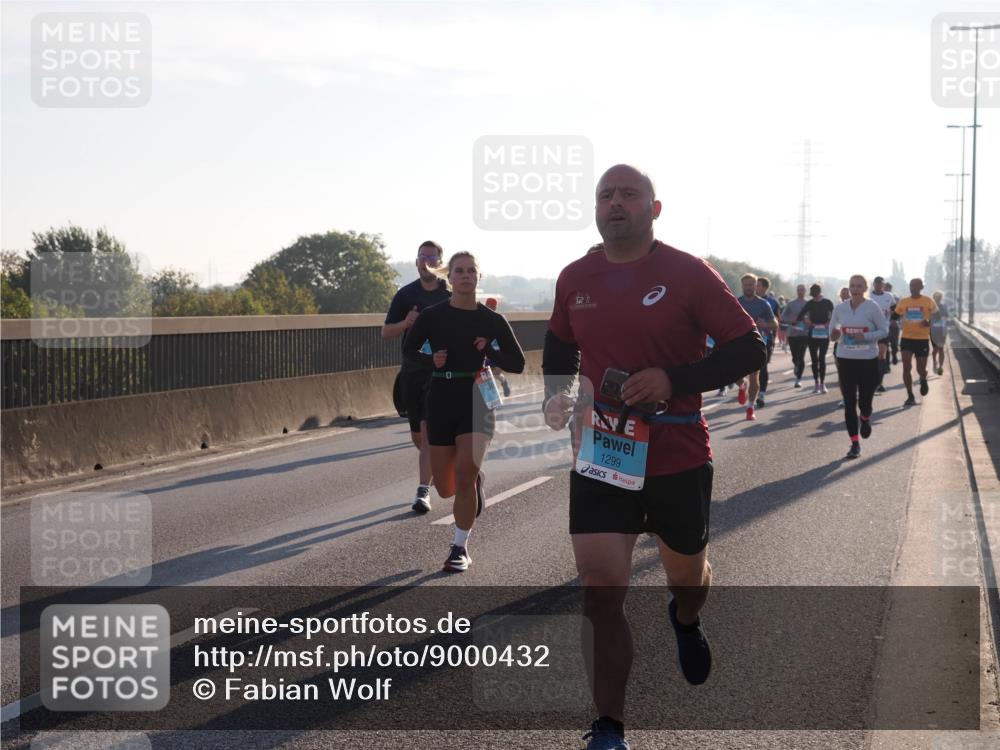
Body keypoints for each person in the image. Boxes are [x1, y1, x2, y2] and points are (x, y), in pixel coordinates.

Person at [542, 164, 765, 750]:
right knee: (600, 587)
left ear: (654, 209)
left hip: (677, 451)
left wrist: (674, 378)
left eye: (628, 195)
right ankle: (609, 725)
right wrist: (556, 392)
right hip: (603, 452)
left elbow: (750, 346)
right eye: (605, 195)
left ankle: (685, 617)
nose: (615, 203)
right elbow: (561, 341)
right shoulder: (575, 277)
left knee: (687, 578)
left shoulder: (687, 273)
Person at [403, 252, 525, 571]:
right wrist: (432, 362)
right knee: (446, 488)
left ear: (478, 278)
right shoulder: (432, 316)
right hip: (441, 397)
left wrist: (489, 349)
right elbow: (408, 350)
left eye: (472, 270)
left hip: (476, 398)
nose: (466, 275)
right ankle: (473, 483)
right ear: (450, 278)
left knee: (464, 474)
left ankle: (459, 547)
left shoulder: (492, 320)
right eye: (459, 271)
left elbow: (518, 363)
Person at [382, 241, 451, 513]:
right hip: (412, 371)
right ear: (416, 262)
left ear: (441, 263)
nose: (427, 262)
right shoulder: (406, 295)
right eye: (423, 257)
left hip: (441, 371)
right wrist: (406, 323)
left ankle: (423, 491)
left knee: (428, 431)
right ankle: (435, 465)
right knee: (418, 436)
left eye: (432, 258)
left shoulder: (451, 293)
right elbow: (386, 332)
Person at [830, 275, 889, 459]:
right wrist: (834, 334)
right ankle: (854, 443)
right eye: (852, 286)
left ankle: (864, 417)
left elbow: (884, 330)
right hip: (846, 359)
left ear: (865, 288)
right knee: (849, 403)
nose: (855, 289)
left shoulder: (872, 307)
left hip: (867, 360)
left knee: (865, 402)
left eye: (859, 286)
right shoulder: (840, 308)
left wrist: (865, 337)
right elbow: (832, 332)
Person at [893, 278, 938, 406]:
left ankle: (923, 379)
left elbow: (938, 316)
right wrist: (893, 322)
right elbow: (895, 315)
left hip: (922, 339)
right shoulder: (904, 301)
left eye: (916, 286)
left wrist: (929, 322)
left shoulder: (928, 301)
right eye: (911, 285)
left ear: (921, 287)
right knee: (906, 367)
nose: (912, 288)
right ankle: (910, 395)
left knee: (921, 369)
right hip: (906, 338)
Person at [737, 274, 775, 418]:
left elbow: (775, 324)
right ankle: (741, 385)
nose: (749, 287)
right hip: (739, 343)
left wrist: (765, 324)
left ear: (756, 285)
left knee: (754, 376)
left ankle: (750, 407)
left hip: (757, 344)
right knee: (734, 373)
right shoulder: (736, 302)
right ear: (742, 286)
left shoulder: (763, 304)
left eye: (751, 284)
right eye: (746, 284)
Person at [795, 283, 835, 394]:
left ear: (819, 292)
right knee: (814, 360)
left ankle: (822, 383)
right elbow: (800, 316)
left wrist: (829, 322)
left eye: (816, 295)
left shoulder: (827, 302)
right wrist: (806, 320)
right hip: (812, 333)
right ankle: (816, 383)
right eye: (813, 295)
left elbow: (835, 315)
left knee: (822, 358)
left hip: (824, 334)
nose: (815, 297)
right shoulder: (810, 303)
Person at [755, 276, 780, 409]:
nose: (755, 287)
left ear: (764, 288)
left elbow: (776, 321)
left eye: (757, 285)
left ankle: (761, 395)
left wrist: (766, 325)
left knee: (762, 367)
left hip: (766, 339)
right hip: (749, 340)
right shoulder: (746, 300)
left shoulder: (772, 302)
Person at [869, 276, 895, 393]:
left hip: (883, 330)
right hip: (870, 330)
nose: (879, 285)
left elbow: (895, 310)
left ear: (884, 285)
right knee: (871, 356)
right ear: (874, 284)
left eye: (881, 283)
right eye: (877, 283)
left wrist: (894, 319)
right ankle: (870, 380)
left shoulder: (889, 296)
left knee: (881, 354)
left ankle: (879, 383)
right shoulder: (868, 296)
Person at [781, 284, 809, 388]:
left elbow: (812, 318)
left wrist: (808, 320)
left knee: (801, 356)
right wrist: (790, 320)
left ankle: (798, 379)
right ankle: (796, 364)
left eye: (802, 290)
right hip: (792, 333)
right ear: (796, 291)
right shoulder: (791, 304)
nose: (800, 291)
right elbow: (783, 316)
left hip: (804, 334)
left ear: (805, 291)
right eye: (798, 290)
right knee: (795, 356)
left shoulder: (808, 304)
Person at [483, 297, 512, 397]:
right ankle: (490, 396)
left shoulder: (500, 320)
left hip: (496, 352)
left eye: (492, 307)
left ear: (495, 308)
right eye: (488, 306)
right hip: (484, 352)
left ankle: (504, 382)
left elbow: (506, 340)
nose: (490, 309)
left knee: (495, 374)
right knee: (484, 374)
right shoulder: (479, 318)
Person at [930, 290, 949, 376]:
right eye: (936, 298)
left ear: (941, 298)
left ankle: (940, 367)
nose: (938, 299)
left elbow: (947, 316)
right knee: (935, 349)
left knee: (941, 349)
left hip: (942, 331)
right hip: (933, 331)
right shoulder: (930, 306)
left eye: (939, 298)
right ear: (933, 298)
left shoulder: (944, 306)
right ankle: (934, 361)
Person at [885, 281, 901, 365]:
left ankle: (894, 354)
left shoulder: (895, 298)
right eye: (885, 288)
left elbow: (900, 310)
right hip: (884, 325)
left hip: (894, 324)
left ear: (890, 289)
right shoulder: (879, 298)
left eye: (888, 288)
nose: (886, 289)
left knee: (894, 343)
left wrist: (895, 320)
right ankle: (886, 362)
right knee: (885, 344)